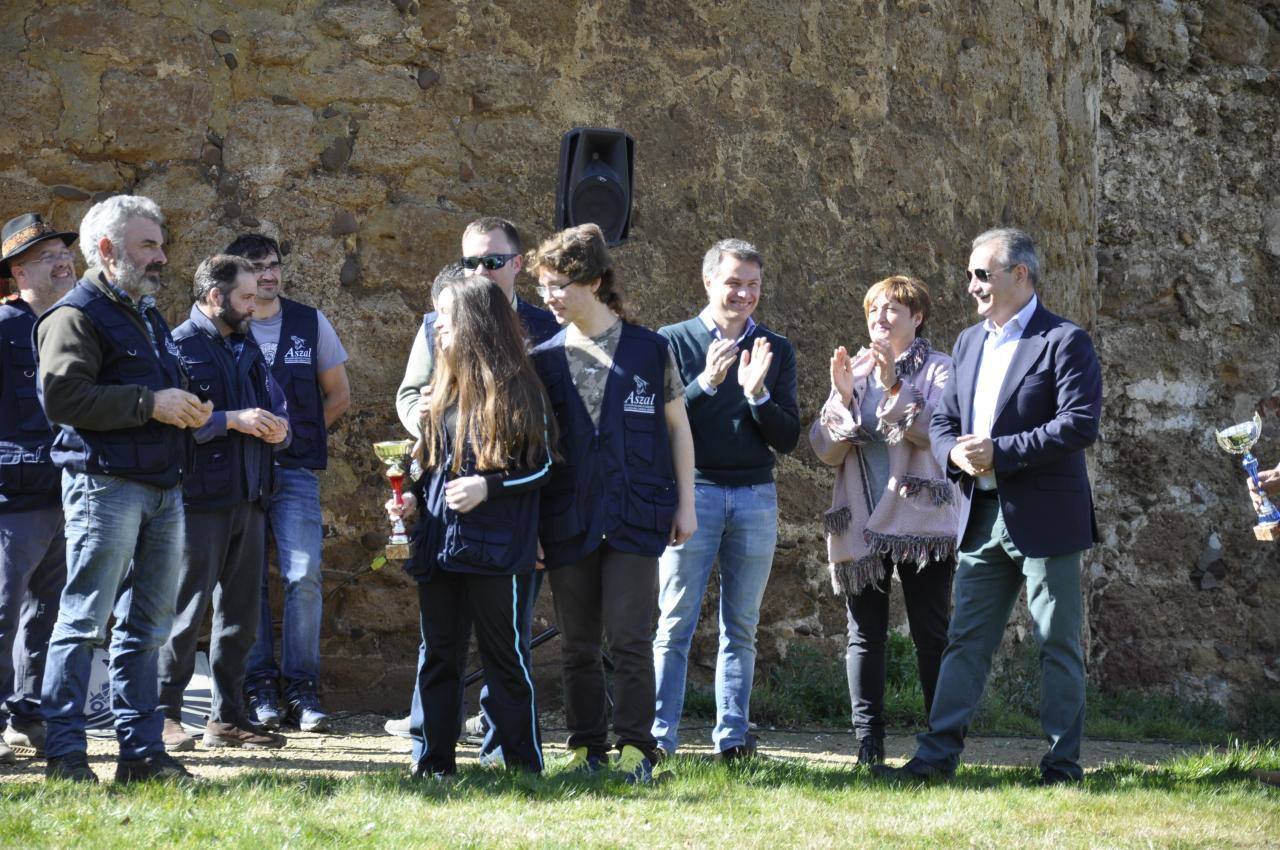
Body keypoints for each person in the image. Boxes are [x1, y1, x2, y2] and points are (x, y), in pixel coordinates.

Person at [873, 228, 1102, 786]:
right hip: (981, 515)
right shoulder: (970, 342)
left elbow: (1078, 424)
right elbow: (946, 422)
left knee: (1057, 643)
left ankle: (1062, 765)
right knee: (966, 640)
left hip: (1046, 517)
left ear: (1019, 275)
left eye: (982, 274)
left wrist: (1000, 451)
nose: (970, 284)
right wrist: (955, 451)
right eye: (970, 274)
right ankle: (936, 756)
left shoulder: (1064, 341)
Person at [36, 195, 212, 783]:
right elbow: (62, 399)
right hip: (104, 487)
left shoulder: (147, 312)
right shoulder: (74, 314)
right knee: (84, 622)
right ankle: (65, 755)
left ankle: (141, 755)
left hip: (163, 486)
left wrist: (186, 408)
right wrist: (151, 404)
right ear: (107, 250)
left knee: (148, 629)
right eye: (148, 246)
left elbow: (157, 395)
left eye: (161, 244)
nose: (161, 257)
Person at [529, 224, 697, 784]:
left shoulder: (651, 350)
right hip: (568, 514)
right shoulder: (544, 358)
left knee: (630, 637)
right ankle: (585, 746)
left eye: (559, 286)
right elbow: (534, 449)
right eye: (543, 288)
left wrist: (687, 505)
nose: (549, 298)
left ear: (595, 281)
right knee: (576, 642)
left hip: (636, 511)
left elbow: (678, 428)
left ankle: (636, 747)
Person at [386, 276, 551, 779]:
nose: (438, 332)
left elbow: (542, 467)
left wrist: (489, 488)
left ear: (476, 326)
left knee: (505, 659)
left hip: (498, 548)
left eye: (448, 323)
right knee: (439, 655)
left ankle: (524, 765)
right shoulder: (438, 390)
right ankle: (432, 763)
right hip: (439, 543)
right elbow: (429, 466)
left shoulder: (521, 388)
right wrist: (410, 499)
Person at [651, 239, 800, 760]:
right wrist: (708, 383)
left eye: (754, 284)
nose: (744, 293)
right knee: (675, 623)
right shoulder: (671, 341)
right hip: (695, 493)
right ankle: (659, 739)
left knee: (741, 626)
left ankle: (732, 740)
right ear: (709, 281)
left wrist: (757, 394)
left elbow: (787, 438)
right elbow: (659, 424)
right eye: (734, 282)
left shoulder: (775, 349)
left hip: (756, 496)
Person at [808, 275, 960, 766]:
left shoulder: (939, 370)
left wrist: (894, 384)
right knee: (863, 634)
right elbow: (827, 451)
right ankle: (868, 744)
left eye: (893, 309)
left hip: (920, 519)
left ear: (917, 318)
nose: (880, 318)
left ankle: (940, 744)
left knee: (930, 633)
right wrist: (843, 397)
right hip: (862, 515)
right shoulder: (853, 368)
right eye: (874, 310)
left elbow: (928, 433)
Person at [157, 255, 290, 752]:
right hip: (198, 503)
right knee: (183, 612)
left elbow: (279, 406)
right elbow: (170, 421)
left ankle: (227, 718)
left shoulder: (247, 345)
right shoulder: (178, 346)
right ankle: (164, 714)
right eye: (247, 298)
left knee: (240, 615)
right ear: (217, 297)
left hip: (251, 498)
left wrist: (280, 428)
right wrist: (231, 420)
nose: (256, 307)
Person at [227, 234, 350, 734]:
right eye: (257, 267)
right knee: (247, 581)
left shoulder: (309, 321)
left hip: (295, 470)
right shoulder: (225, 325)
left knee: (304, 575)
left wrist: (292, 433)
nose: (269, 274)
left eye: (274, 265)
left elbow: (339, 394)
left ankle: (301, 688)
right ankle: (258, 686)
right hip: (239, 472)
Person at [0, 214, 77, 763]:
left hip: (70, 488)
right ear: (20, 270)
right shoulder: (3, 328)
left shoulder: (77, 322)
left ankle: (28, 716)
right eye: (49, 254)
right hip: (14, 493)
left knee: (48, 611)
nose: (63, 260)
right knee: (4, 609)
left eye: (63, 250)